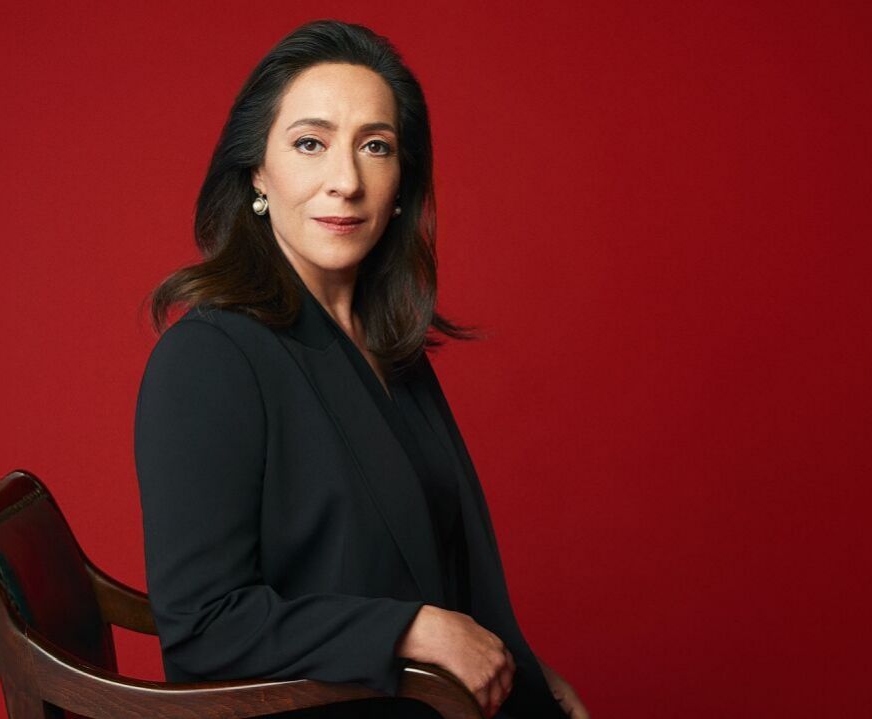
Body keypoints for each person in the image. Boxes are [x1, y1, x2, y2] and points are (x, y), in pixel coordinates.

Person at [133, 19, 588, 719]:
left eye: (375, 146)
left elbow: (431, 560)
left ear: (401, 182)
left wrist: (519, 669)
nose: (345, 182)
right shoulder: (209, 358)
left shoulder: (385, 344)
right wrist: (413, 630)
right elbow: (204, 627)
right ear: (257, 171)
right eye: (309, 143)